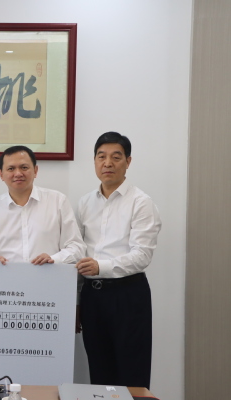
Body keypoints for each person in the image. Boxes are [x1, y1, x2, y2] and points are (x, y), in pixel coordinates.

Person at [76, 132, 162, 389]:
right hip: (92, 297)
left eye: (116, 157)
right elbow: (78, 254)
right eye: (101, 157)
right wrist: (77, 302)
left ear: (128, 161)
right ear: (94, 161)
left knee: (132, 374)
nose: (108, 163)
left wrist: (100, 267)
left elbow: (142, 255)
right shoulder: (84, 203)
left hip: (128, 295)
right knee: (99, 373)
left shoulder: (141, 202)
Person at [0, 145, 85, 265]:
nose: (18, 173)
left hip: (49, 275)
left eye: (24, 167)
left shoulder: (58, 201)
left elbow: (76, 247)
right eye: (11, 169)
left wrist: (54, 259)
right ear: (1, 174)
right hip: (6, 277)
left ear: (35, 171)